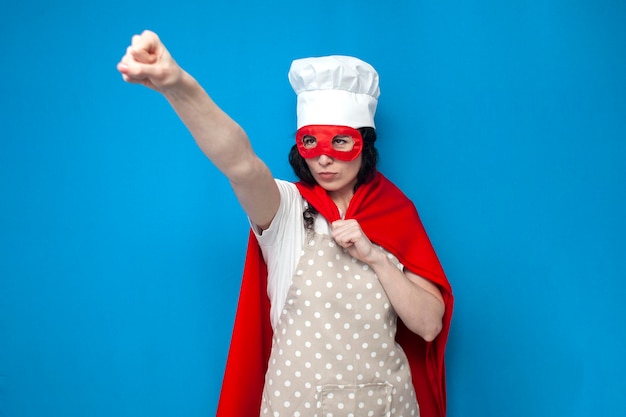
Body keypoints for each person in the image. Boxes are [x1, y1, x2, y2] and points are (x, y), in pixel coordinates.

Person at [118, 30, 453, 417]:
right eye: (312, 143)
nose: (324, 159)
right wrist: (178, 86)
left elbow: (429, 325)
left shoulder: (396, 212)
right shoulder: (287, 211)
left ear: (365, 143)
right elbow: (240, 164)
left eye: (340, 142)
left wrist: (375, 256)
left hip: (386, 407)